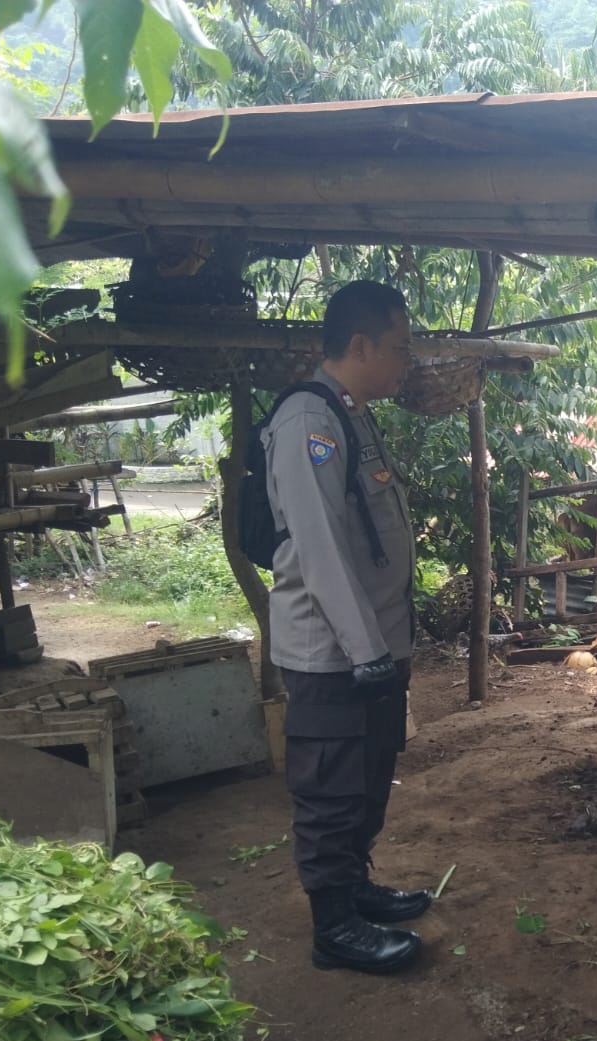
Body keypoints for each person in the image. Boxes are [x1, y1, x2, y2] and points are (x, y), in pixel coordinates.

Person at [263, 280, 428, 974]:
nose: (406, 362)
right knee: (332, 787)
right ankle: (333, 926)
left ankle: (354, 890)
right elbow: (321, 547)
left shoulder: (349, 414)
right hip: (333, 654)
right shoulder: (309, 419)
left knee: (367, 778)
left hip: (372, 645)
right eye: (399, 348)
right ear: (360, 345)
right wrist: (366, 653)